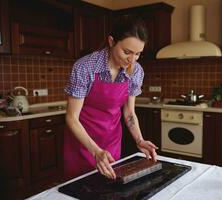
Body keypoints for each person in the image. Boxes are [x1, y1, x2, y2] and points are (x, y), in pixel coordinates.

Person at [63, 16, 158, 180]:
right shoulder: (85, 67)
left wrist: (140, 140)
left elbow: (129, 112)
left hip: (111, 142)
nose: (131, 60)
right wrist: (96, 151)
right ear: (111, 41)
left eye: (137, 54)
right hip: (83, 144)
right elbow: (72, 118)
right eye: (127, 52)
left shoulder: (135, 71)